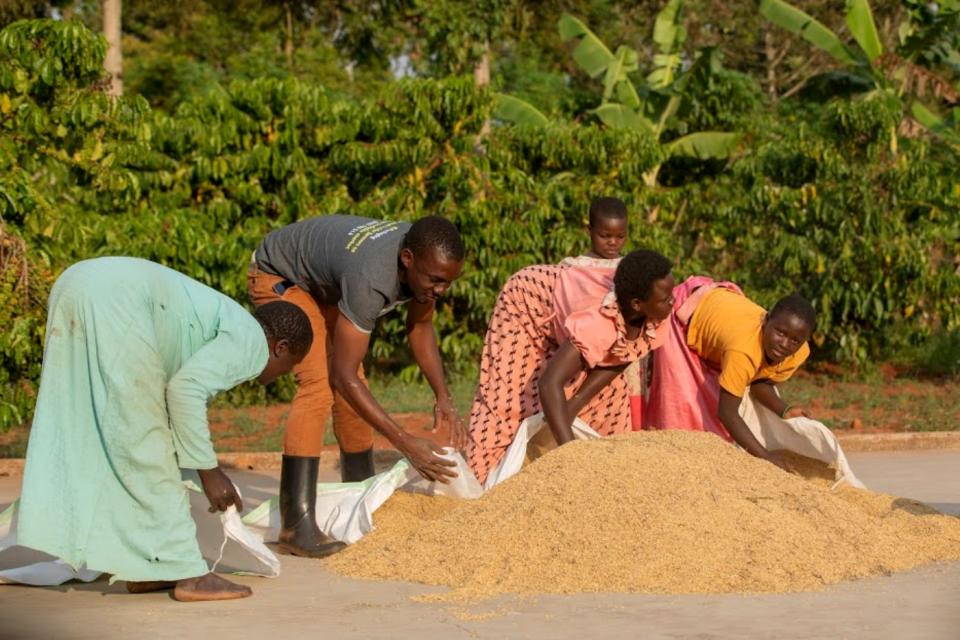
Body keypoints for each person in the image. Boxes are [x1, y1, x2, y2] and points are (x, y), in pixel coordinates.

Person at [16, 257, 312, 602]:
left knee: (104, 437)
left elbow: (176, 396)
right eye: (288, 367)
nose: (279, 375)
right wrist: (210, 472)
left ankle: (146, 565)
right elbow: (185, 391)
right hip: (115, 297)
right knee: (150, 448)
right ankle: (188, 572)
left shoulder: (226, 318)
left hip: (76, 283)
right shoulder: (251, 342)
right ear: (280, 348)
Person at [248, 214, 466, 557]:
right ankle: (296, 523)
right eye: (436, 280)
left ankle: (361, 495)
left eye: (448, 282)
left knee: (354, 389)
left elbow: (420, 327)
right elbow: (342, 377)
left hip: (324, 285)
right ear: (407, 260)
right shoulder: (371, 278)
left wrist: (443, 396)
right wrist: (405, 442)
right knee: (319, 386)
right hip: (281, 275)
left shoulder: (423, 261)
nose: (440, 290)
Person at [466, 249, 676, 486]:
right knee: (511, 402)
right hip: (527, 306)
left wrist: (574, 405)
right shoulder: (599, 324)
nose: (673, 301)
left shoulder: (658, 313)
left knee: (609, 406)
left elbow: (625, 355)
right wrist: (570, 453)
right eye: (665, 299)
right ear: (638, 304)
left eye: (672, 294)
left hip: (576, 317)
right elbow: (548, 384)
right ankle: (480, 480)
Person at [643, 276, 816, 471]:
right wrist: (766, 457)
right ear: (766, 320)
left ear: (804, 341)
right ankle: (669, 466)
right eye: (780, 333)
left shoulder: (798, 353)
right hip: (684, 319)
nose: (784, 344)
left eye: (795, 340)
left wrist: (784, 410)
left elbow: (760, 379)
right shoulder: (743, 350)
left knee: (713, 412)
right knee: (682, 411)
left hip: (720, 312)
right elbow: (727, 412)